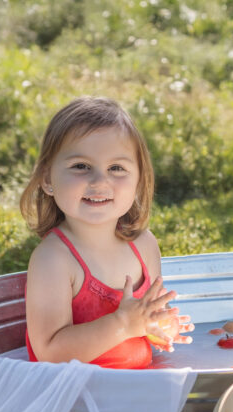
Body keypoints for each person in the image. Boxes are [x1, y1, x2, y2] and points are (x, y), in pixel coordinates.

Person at [21, 96, 192, 369]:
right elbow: (49, 352)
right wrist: (121, 324)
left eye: (116, 168)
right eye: (81, 166)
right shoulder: (53, 259)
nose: (100, 181)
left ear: (138, 180)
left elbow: (146, 319)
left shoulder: (144, 246)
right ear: (47, 179)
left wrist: (158, 325)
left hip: (139, 385)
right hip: (79, 391)